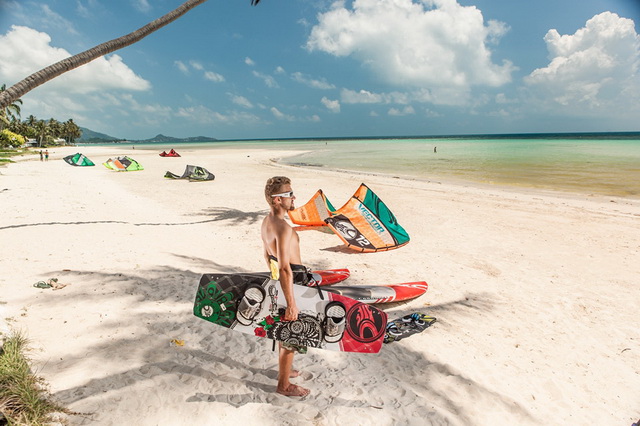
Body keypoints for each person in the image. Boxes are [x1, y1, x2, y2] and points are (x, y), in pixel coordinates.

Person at [261, 176, 310, 398]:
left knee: (284, 330)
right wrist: (291, 303)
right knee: (291, 334)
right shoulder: (282, 227)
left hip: (280, 281)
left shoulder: (266, 221)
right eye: (289, 194)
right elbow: (284, 268)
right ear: (278, 200)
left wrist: (275, 286)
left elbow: (266, 256)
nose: (294, 198)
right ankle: (283, 386)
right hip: (292, 280)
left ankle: (286, 371)